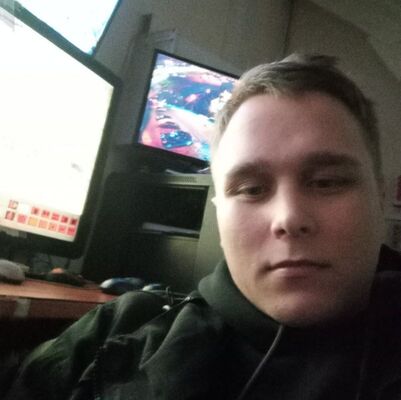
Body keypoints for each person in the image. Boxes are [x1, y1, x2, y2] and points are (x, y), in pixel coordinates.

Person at [5, 54, 401, 400]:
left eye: (327, 182)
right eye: (251, 189)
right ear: (218, 211)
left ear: (381, 197)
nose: (289, 218)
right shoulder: (117, 332)